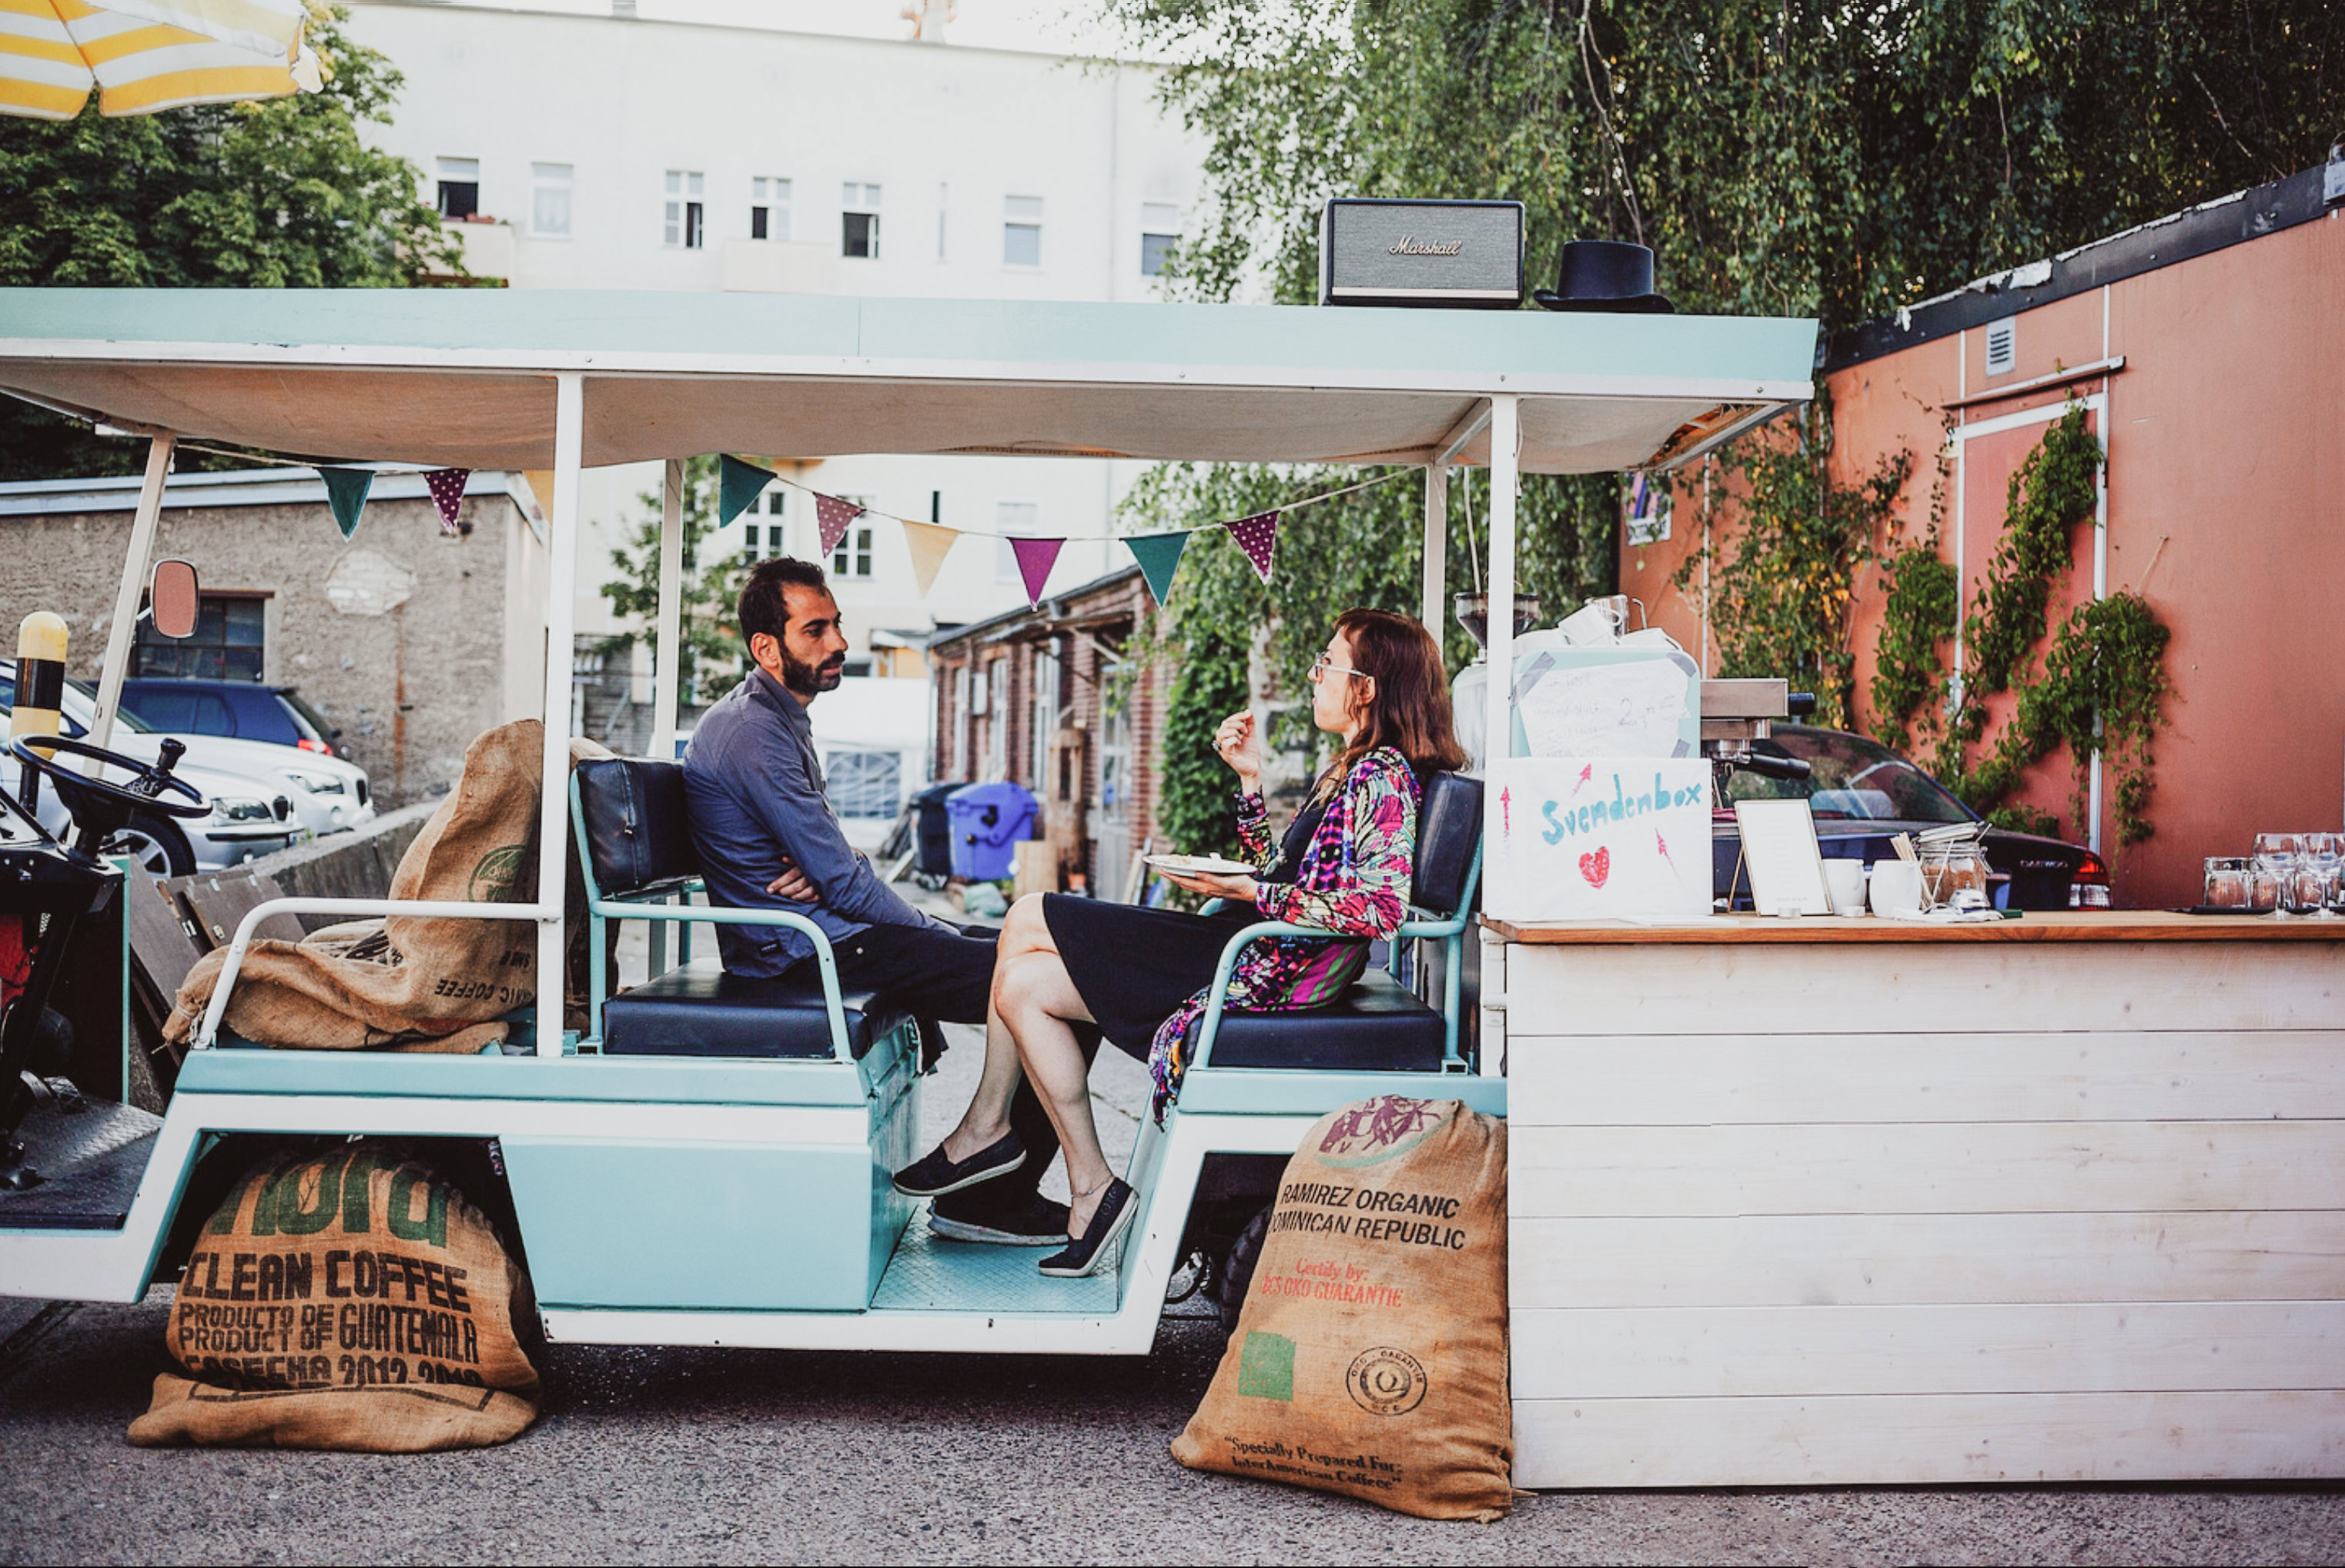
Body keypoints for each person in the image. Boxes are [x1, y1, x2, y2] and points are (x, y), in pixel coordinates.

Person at [893, 607, 1467, 1279]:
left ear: (1366, 688)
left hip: (1262, 966)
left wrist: (1251, 896)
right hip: (1255, 944)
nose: (1317, 677)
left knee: (1026, 914)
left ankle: (984, 1131)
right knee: (1021, 984)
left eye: (1328, 664)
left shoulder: (1382, 777)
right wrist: (1250, 784)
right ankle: (1092, 1191)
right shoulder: (1352, 768)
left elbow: (1378, 907)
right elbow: (1288, 869)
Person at [684, 556, 1090, 1246]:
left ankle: (989, 1170)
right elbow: (842, 880)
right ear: (766, 647)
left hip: (824, 932)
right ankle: (994, 1190)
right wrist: (923, 926)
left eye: (837, 623)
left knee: (1038, 955)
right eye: (815, 630)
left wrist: (845, 873)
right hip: (802, 952)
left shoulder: (777, 718)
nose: (839, 641)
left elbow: (834, 866)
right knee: (1069, 982)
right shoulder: (754, 731)